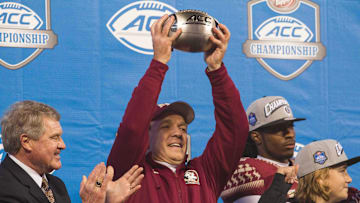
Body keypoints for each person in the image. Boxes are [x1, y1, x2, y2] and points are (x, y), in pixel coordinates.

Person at [106, 14, 249, 203]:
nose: (177, 133)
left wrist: (217, 69)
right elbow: (132, 129)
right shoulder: (131, 174)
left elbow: (235, 130)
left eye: (183, 128)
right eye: (166, 126)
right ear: (147, 136)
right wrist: (159, 63)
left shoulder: (205, 173)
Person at [0, 100, 143, 203]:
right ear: (27, 142)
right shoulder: (4, 189)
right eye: (55, 137)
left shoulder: (56, 186)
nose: (63, 145)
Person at [221, 96, 305, 203]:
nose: (290, 134)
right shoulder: (245, 170)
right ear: (256, 137)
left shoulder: (301, 168)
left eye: (291, 126)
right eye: (280, 128)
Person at [258, 139, 360, 203]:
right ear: (319, 178)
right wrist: (276, 192)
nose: (349, 179)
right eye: (342, 171)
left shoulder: (354, 198)